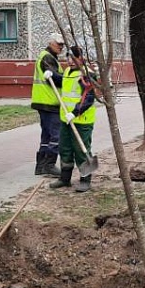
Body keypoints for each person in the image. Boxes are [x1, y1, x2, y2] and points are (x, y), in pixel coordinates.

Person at [50, 46, 98, 192]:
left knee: (81, 151)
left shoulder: (86, 75)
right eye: (68, 58)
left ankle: (85, 180)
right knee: (65, 149)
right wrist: (51, 75)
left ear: (81, 58)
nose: (70, 61)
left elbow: (89, 98)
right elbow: (63, 82)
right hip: (66, 120)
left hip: (81, 121)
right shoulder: (67, 72)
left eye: (73, 58)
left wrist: (75, 112)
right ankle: (65, 179)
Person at [31, 33, 65, 176]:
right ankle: (50, 165)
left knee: (46, 135)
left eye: (62, 45)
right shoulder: (47, 57)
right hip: (48, 102)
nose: (61, 47)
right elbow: (56, 79)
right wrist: (69, 79)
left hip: (43, 101)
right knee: (55, 136)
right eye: (59, 44)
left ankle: (40, 166)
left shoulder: (50, 57)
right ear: (51, 43)